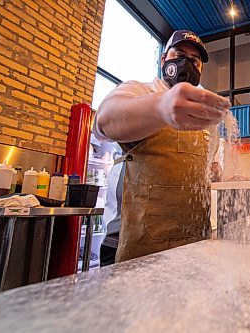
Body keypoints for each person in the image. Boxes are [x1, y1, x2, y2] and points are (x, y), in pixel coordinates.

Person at [93, 30, 231, 265]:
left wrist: (230, 178)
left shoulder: (204, 116)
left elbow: (207, 171)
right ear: (164, 60)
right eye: (179, 54)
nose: (187, 63)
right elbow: (104, 121)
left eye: (194, 60)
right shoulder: (139, 91)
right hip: (133, 242)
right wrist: (161, 107)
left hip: (192, 243)